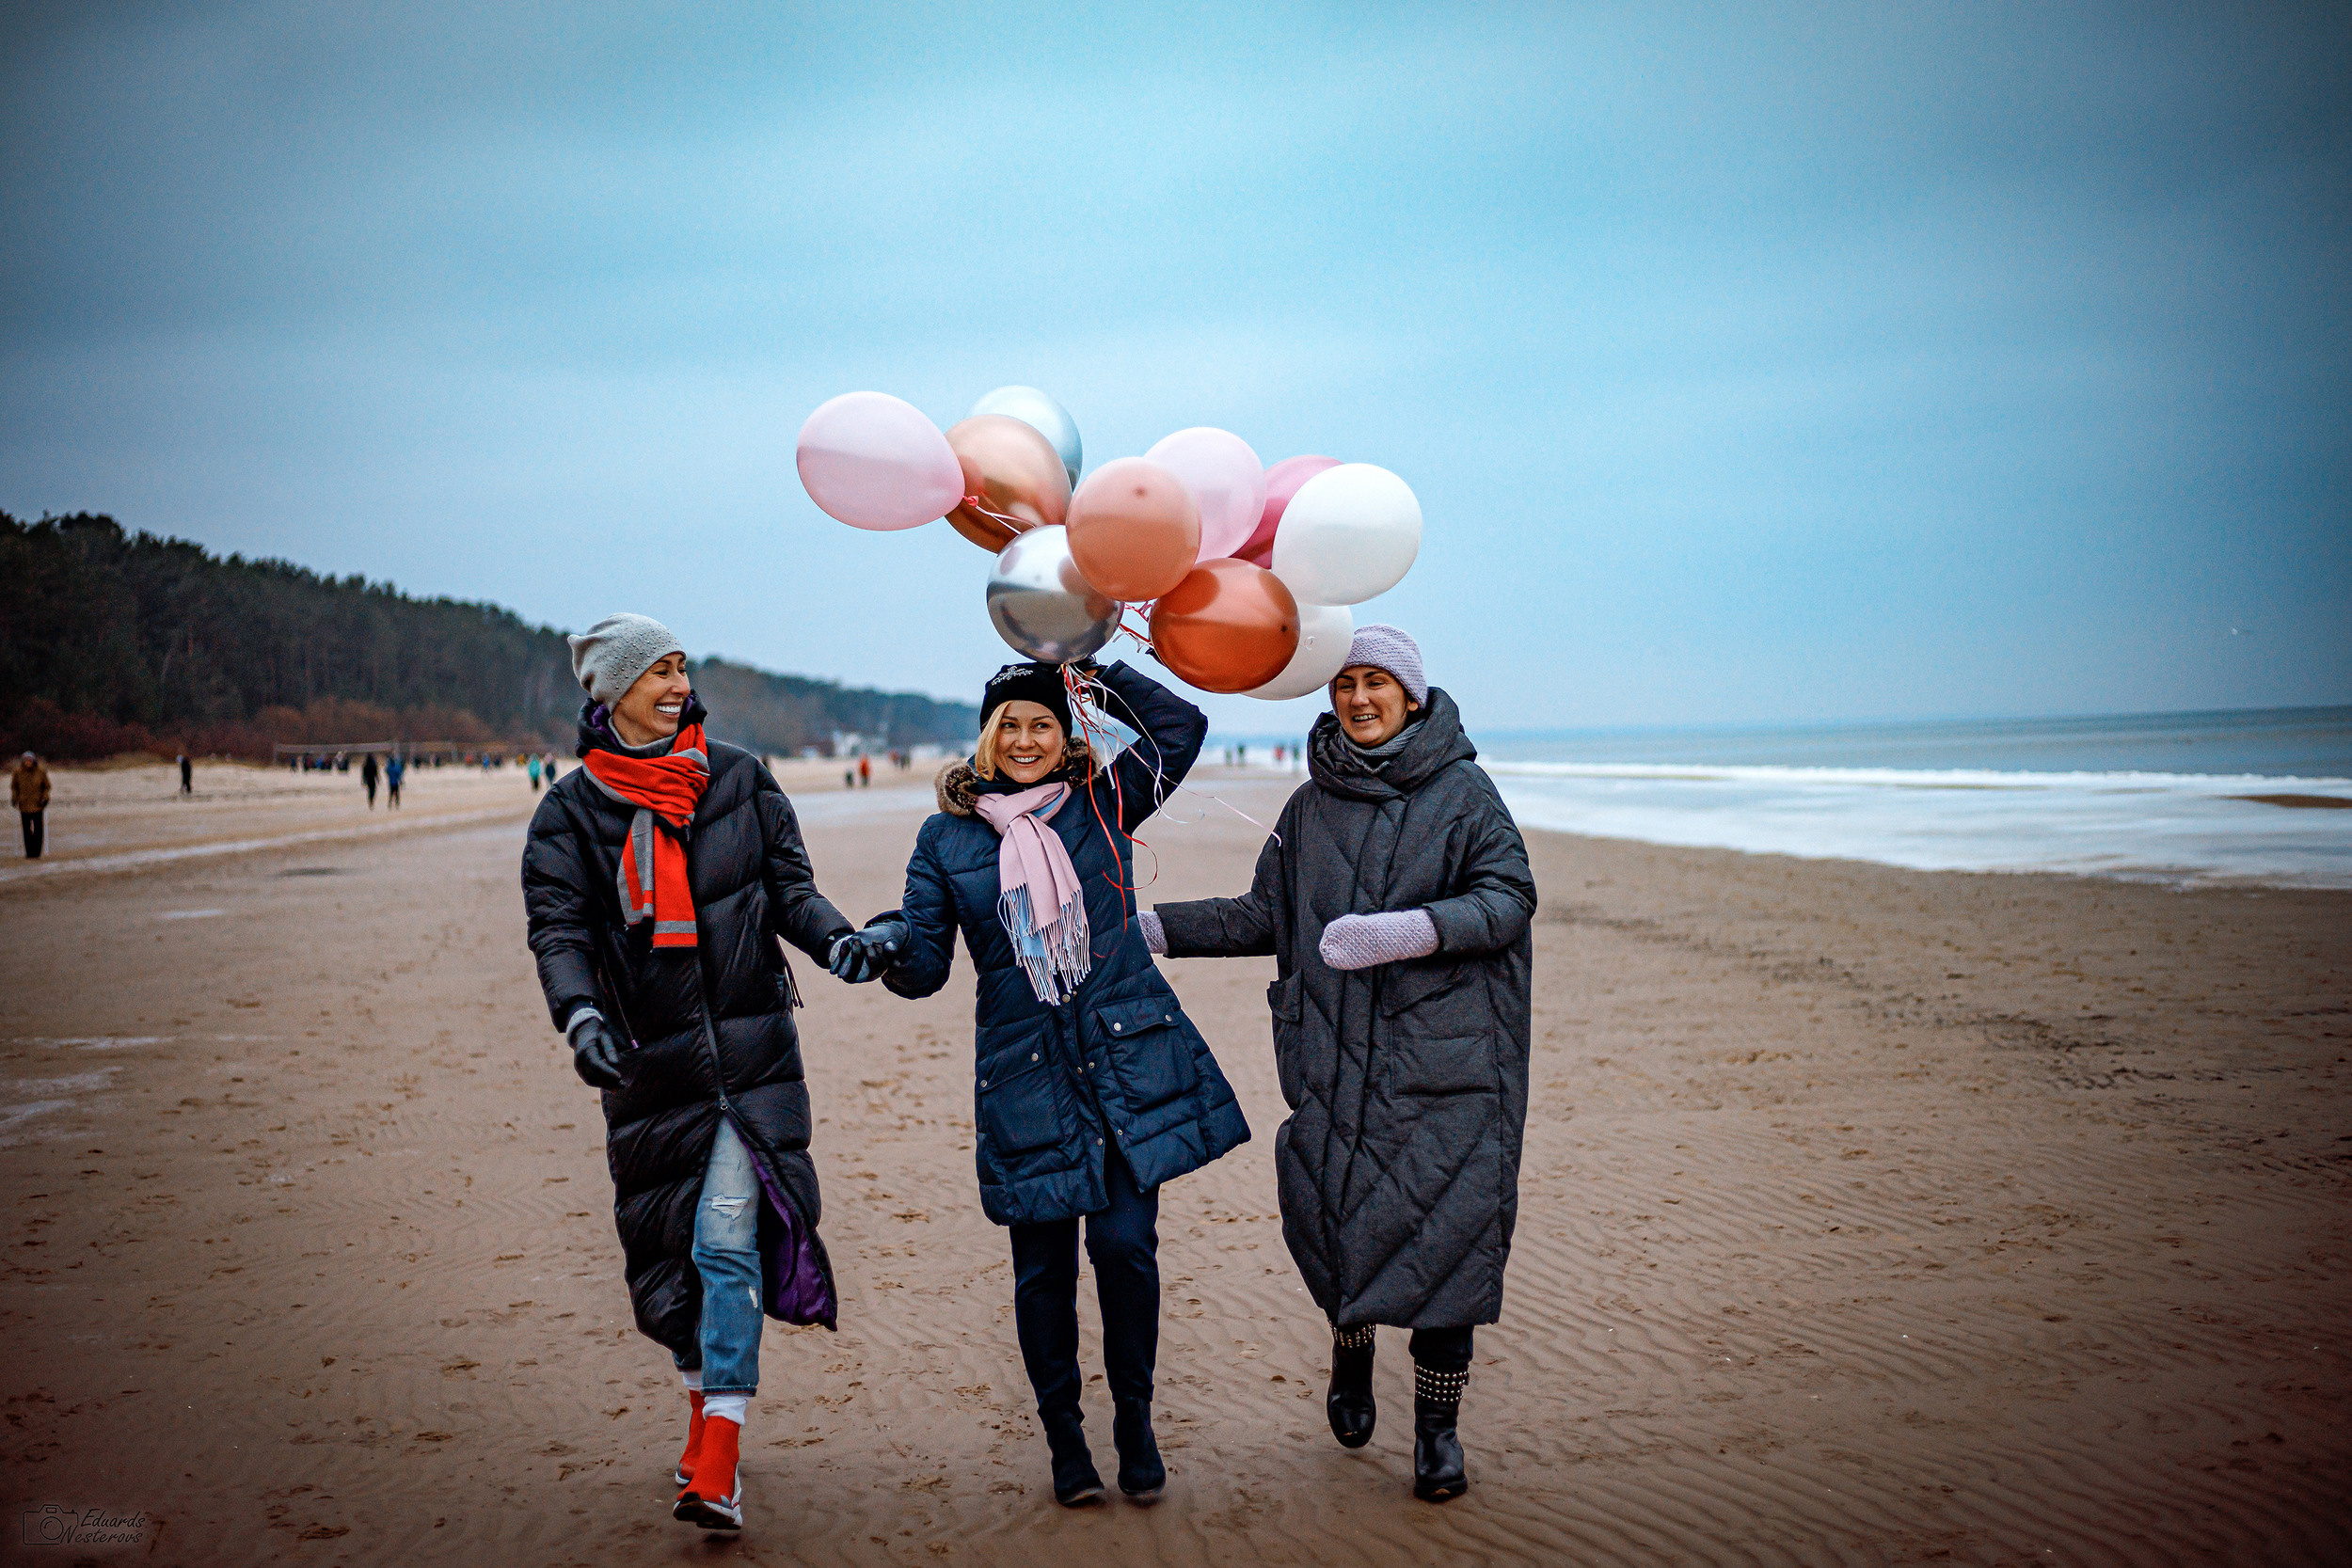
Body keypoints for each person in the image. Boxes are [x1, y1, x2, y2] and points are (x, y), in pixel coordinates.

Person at [833, 660, 1248, 1508]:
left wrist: (1093, 671)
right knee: (1042, 1273)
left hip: (1124, 1065)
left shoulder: (1106, 803)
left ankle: (1135, 1417)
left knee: (1126, 1250)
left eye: (1044, 724)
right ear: (988, 737)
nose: (1026, 740)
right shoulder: (945, 838)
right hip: (1027, 1079)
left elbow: (1182, 731)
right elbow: (923, 963)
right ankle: (1065, 1434)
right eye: (1010, 725)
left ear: (1067, 736)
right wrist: (880, 944)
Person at [1141, 626, 1535, 1504]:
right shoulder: (1307, 807)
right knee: (1335, 1220)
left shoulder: (1465, 795)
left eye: (1378, 683)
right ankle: (1350, 1345)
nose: (1359, 697)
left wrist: (1414, 929)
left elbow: (1510, 897)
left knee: (1450, 1247)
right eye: (1345, 682)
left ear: (1414, 696)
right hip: (1329, 1059)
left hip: (1449, 1070)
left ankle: (1438, 1434)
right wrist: (1153, 930)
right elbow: (1260, 917)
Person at [522, 612, 864, 1535]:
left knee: (722, 1237)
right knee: (669, 1261)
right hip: (649, 1068)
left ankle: (718, 1449)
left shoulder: (741, 777)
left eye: (681, 666)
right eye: (657, 670)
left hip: (753, 1060)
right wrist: (580, 1012)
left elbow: (790, 889)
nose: (677, 683)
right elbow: (558, 933)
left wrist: (837, 938)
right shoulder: (567, 814)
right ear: (610, 688)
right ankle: (701, 1407)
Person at [13, 752, 50, 860]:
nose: (28, 762)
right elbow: (15, 787)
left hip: (38, 804)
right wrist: (14, 798)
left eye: (30, 760)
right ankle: (29, 852)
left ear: (33, 761)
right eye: (26, 760)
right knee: (26, 830)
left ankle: (37, 852)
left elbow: (46, 787)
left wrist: (45, 798)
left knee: (38, 830)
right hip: (24, 805)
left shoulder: (40, 772)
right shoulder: (18, 772)